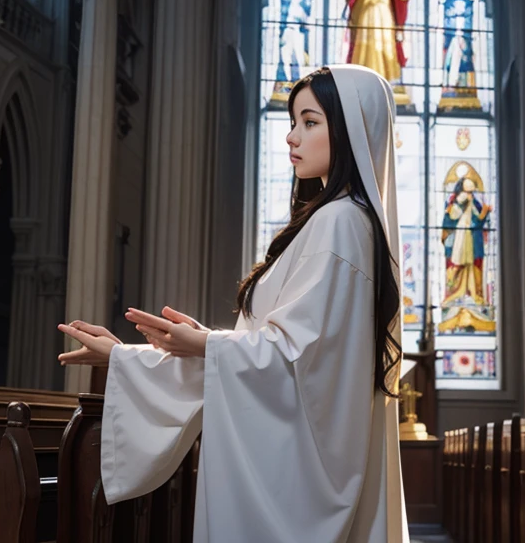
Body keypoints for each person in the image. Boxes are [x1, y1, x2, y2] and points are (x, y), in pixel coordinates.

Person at [56, 65, 409, 543]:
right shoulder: (337, 220)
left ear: (351, 129)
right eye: (292, 121)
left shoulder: (341, 222)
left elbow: (297, 363)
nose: (291, 136)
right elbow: (283, 354)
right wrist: (136, 352)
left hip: (300, 481)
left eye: (309, 122)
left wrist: (206, 343)